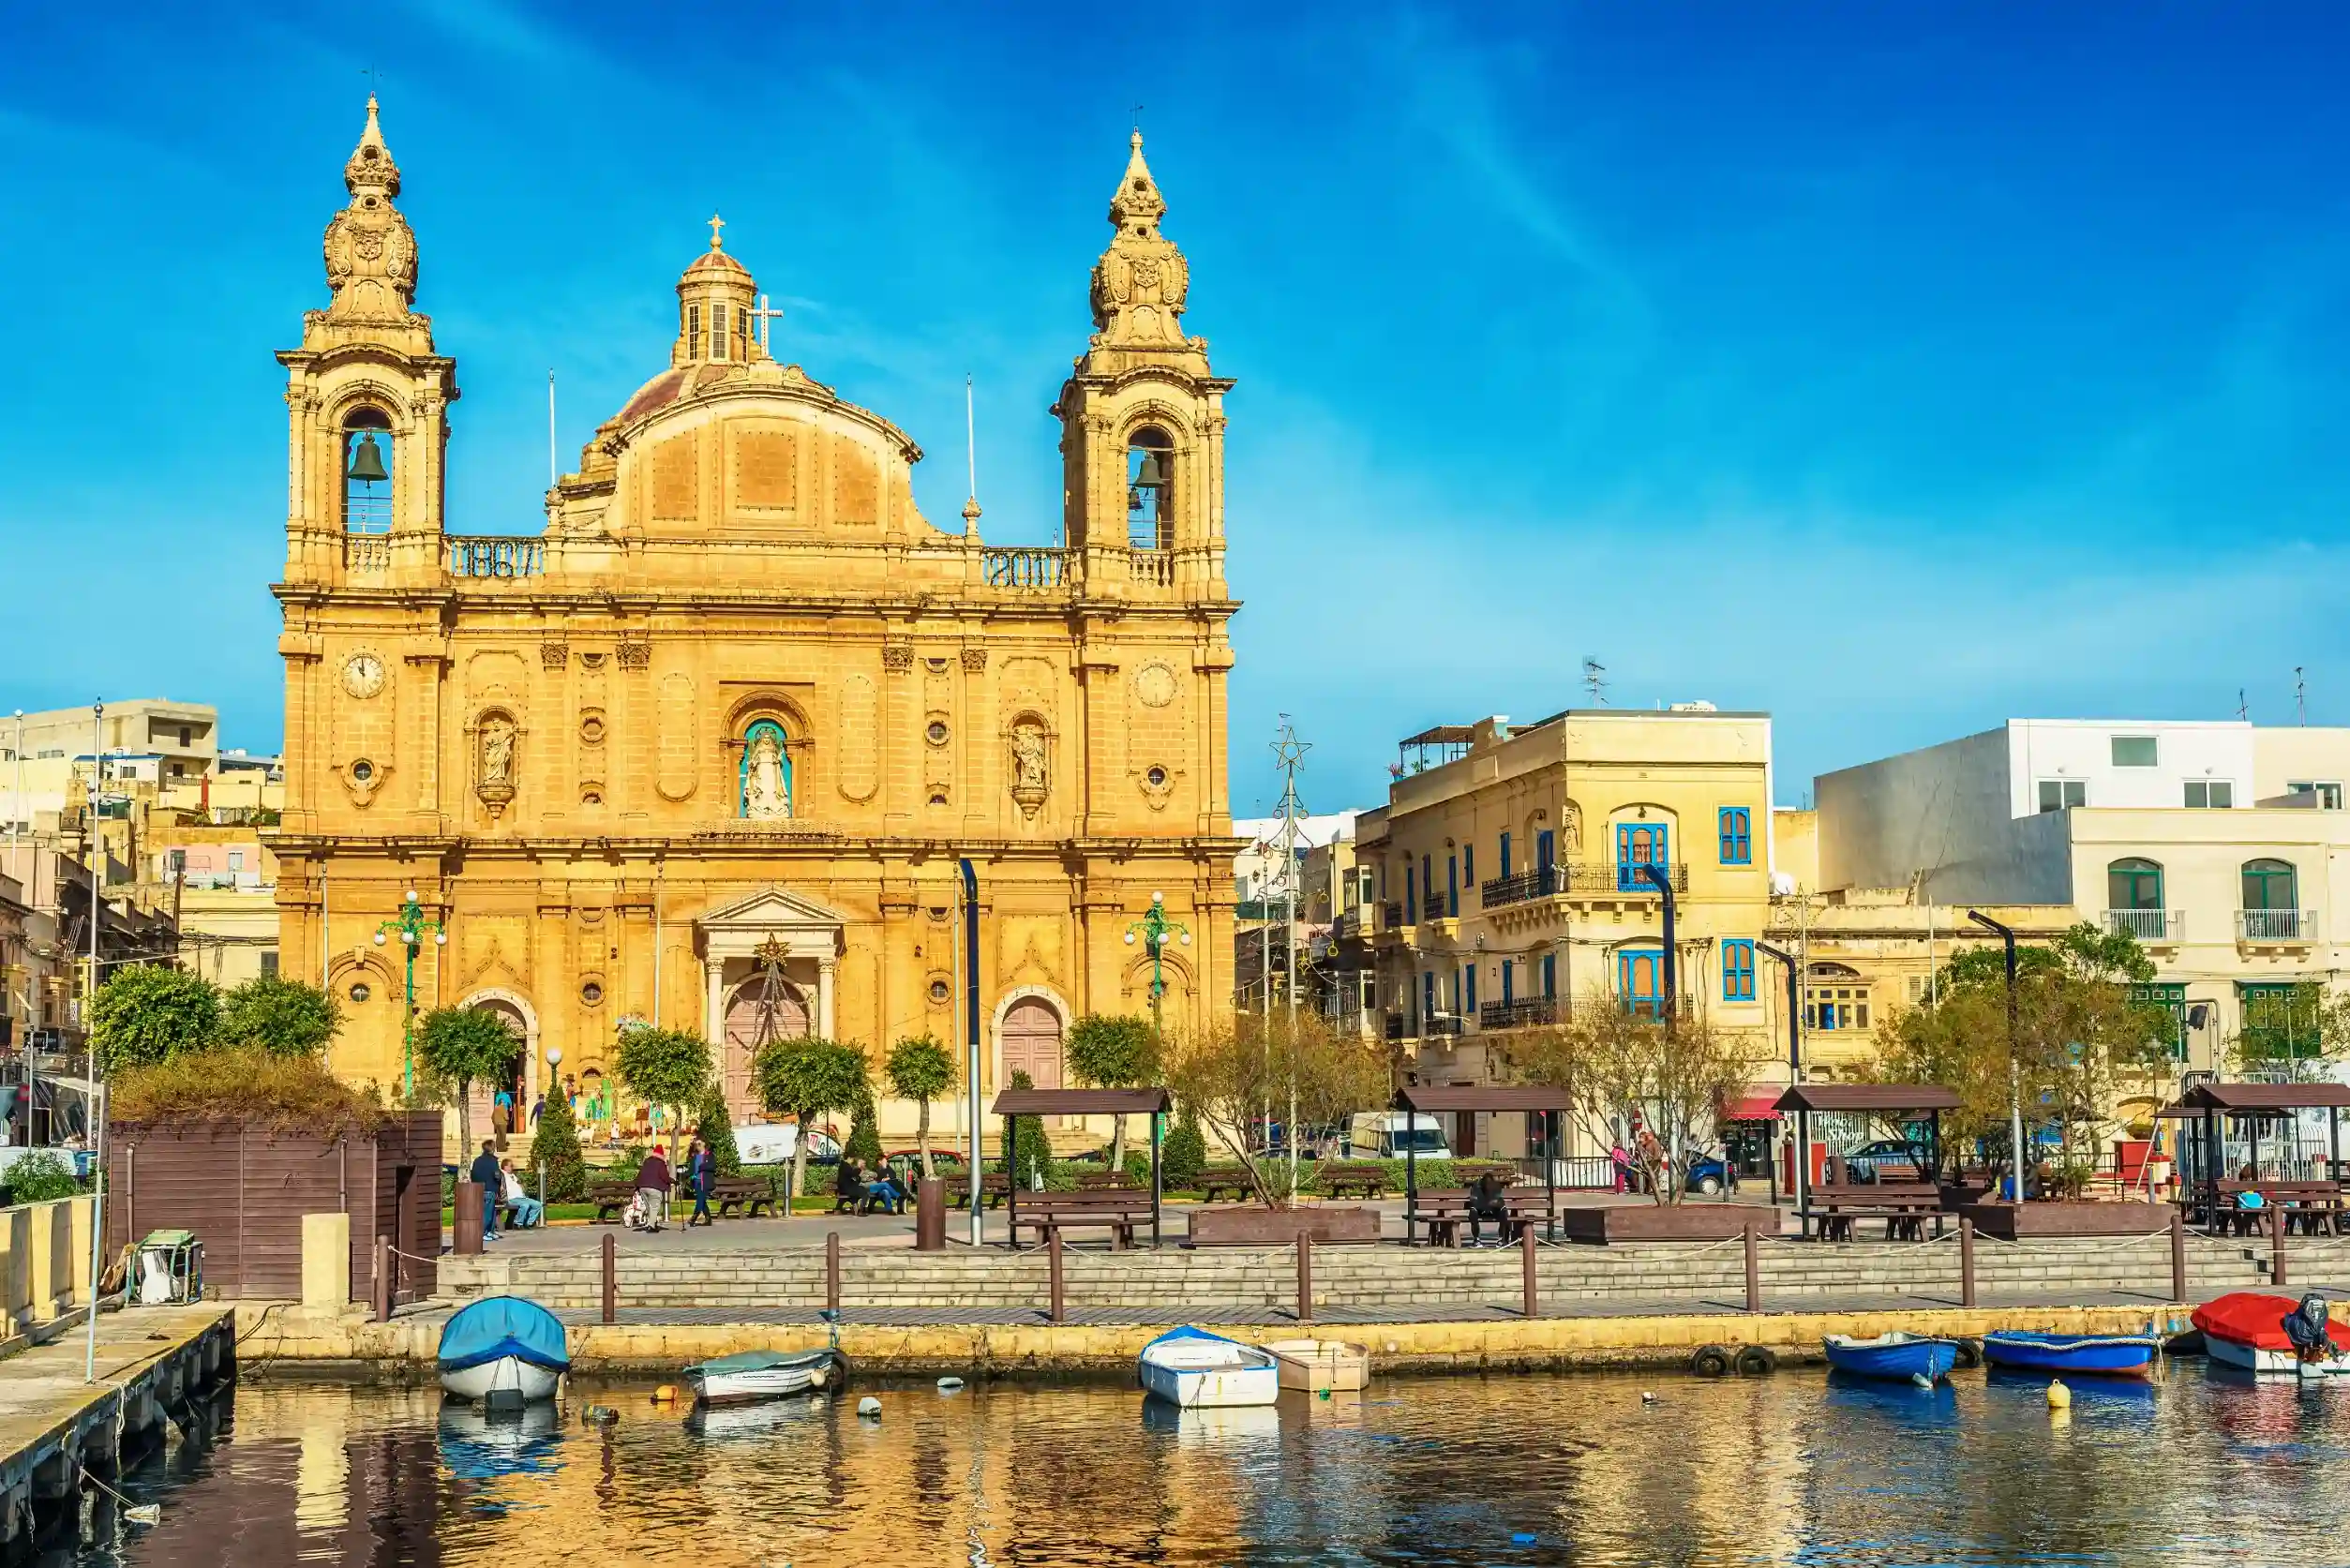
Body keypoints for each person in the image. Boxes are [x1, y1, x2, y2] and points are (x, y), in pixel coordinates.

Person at [1465, 1164, 1511, 1246]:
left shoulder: (1496, 1187)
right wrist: (1475, 1201)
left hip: (1494, 1211)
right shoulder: (1477, 1186)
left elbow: (1500, 1201)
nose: (1488, 1185)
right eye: (1486, 1183)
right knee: (1473, 1211)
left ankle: (1502, 1239)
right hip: (1480, 1210)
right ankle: (1476, 1239)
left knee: (1504, 1211)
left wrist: (1496, 1203)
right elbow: (1473, 1199)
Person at [469, 1140, 503, 1243]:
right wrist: (499, 1185)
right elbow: (497, 1175)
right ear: (492, 1148)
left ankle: (489, 1231)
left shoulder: (477, 1160)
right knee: (489, 1212)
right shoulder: (493, 1161)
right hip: (490, 1188)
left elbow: (473, 1174)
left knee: (488, 1211)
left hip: (479, 1189)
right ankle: (484, 1232)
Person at [636, 1143, 672, 1232]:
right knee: (654, 1207)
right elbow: (664, 1176)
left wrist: (637, 1185)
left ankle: (653, 1223)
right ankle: (651, 1226)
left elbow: (640, 1174)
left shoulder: (647, 1161)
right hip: (655, 1188)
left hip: (643, 1187)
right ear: (662, 1155)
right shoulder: (660, 1163)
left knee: (649, 1207)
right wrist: (672, 1181)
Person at [500, 1159, 543, 1230]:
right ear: (505, 1167)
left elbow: (519, 1184)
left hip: (522, 1198)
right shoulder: (503, 1174)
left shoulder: (513, 1175)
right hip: (512, 1198)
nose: (512, 1167)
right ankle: (518, 1223)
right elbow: (497, 1169)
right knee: (525, 1205)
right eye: (511, 1166)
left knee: (538, 1204)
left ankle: (529, 1222)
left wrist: (522, 1186)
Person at [687, 1138, 716, 1228]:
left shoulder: (709, 1155)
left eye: (699, 1144)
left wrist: (702, 1167)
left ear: (704, 1144)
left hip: (705, 1181)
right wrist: (689, 1175)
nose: (698, 1146)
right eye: (696, 1144)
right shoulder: (694, 1156)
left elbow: (712, 1166)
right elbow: (691, 1169)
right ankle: (708, 1219)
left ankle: (694, 1217)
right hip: (696, 1181)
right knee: (702, 1200)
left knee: (700, 1199)